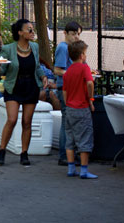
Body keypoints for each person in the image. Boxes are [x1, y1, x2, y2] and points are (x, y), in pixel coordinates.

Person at [0, 19, 48, 166]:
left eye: (32, 29)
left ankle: (24, 153)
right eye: (29, 29)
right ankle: (2, 150)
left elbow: (37, 66)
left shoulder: (35, 47)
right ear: (20, 32)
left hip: (31, 85)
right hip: (13, 85)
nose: (32, 32)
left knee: (27, 122)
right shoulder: (8, 49)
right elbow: (2, 71)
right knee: (11, 119)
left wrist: (43, 76)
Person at [62, 40, 98, 179]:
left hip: (70, 108)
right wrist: (91, 99)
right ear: (82, 55)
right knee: (85, 139)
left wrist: (67, 103)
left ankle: (71, 168)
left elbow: (64, 91)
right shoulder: (84, 68)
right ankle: (83, 170)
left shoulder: (68, 71)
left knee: (70, 139)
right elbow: (90, 83)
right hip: (82, 108)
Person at [53, 21, 82, 166]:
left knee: (69, 122)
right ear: (65, 33)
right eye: (73, 34)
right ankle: (64, 155)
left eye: (78, 34)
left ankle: (68, 154)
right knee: (67, 122)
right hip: (65, 88)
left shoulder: (70, 48)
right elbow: (57, 69)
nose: (76, 37)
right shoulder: (63, 48)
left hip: (70, 87)